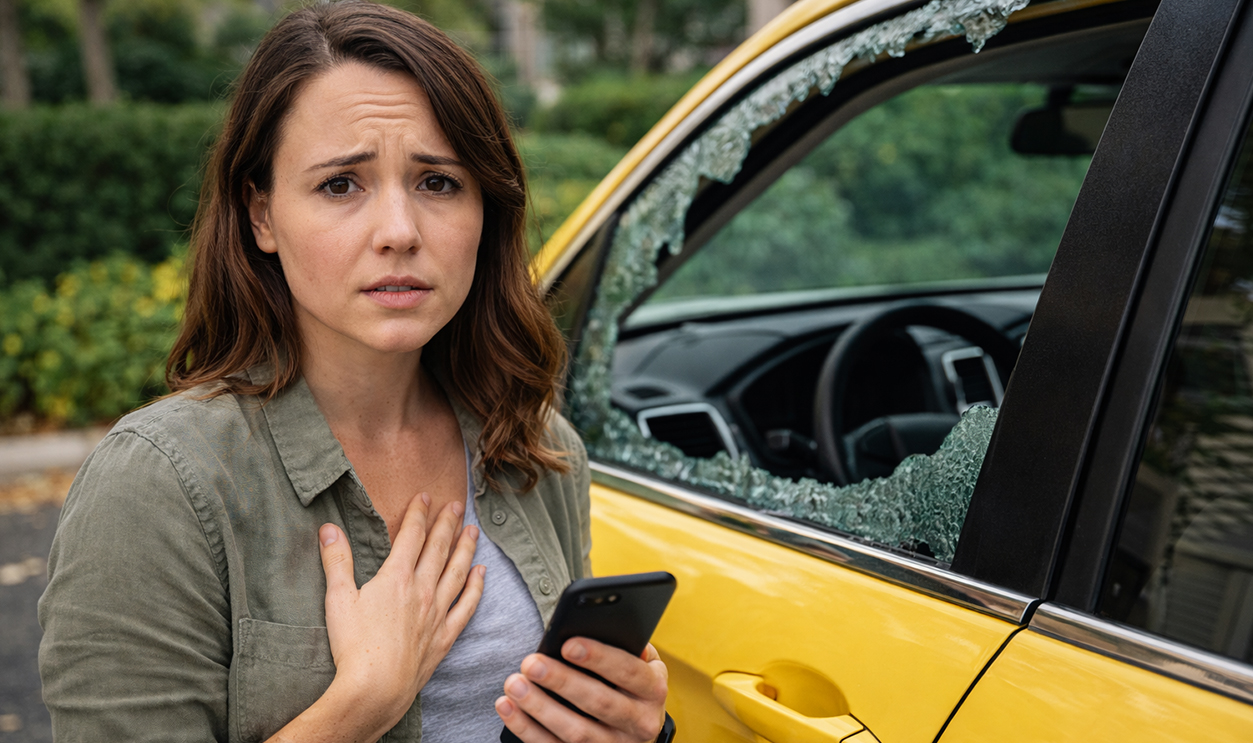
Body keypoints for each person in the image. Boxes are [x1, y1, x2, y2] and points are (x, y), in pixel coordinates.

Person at [36, 2, 669, 741]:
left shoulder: (535, 445)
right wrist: (361, 703)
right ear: (262, 215)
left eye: (438, 182)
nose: (399, 231)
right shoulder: (158, 487)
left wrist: (631, 730)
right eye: (342, 185)